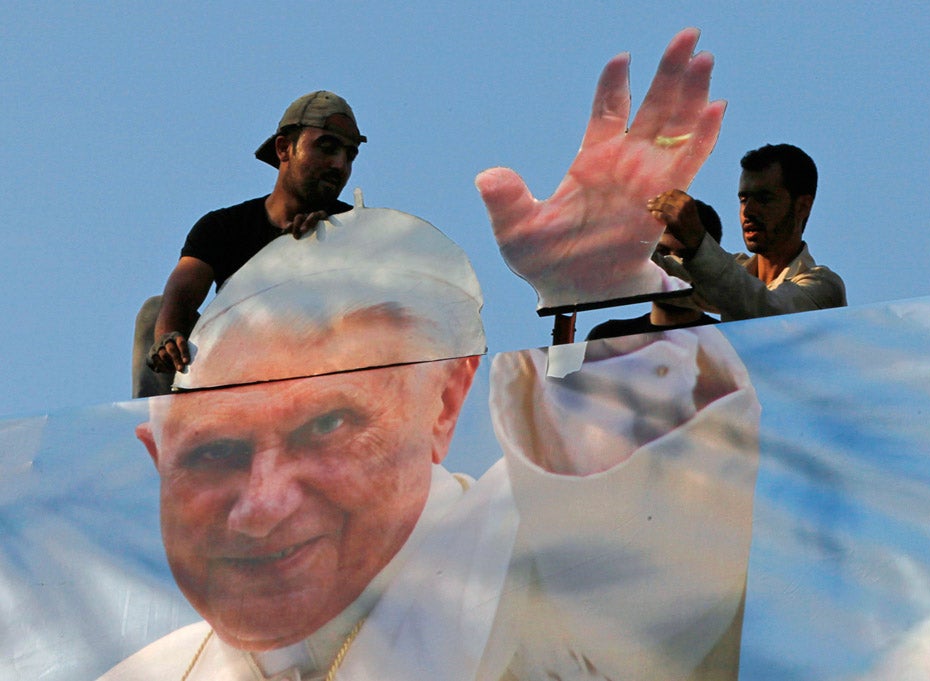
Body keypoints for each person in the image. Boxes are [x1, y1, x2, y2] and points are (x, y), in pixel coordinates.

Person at [100, 205, 760, 681]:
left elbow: (658, 595)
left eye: (326, 425)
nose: (262, 507)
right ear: (160, 463)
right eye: (216, 453)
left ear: (444, 401)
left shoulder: (525, 548)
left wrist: (639, 301)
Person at [132, 90, 366, 398]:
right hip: (233, 376)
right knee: (154, 314)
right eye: (326, 148)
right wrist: (167, 339)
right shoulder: (224, 227)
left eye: (349, 155)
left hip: (320, 383)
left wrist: (329, 245)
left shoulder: (356, 231)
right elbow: (180, 296)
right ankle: (162, 433)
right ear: (284, 148)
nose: (339, 164)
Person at [647, 143, 846, 321]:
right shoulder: (735, 274)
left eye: (764, 198)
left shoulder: (824, 288)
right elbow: (654, 272)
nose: (749, 211)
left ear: (803, 206)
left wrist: (698, 243)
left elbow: (766, 311)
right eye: (744, 199)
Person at [586, 199, 723, 340]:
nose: (673, 265)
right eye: (662, 253)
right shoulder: (607, 337)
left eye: (686, 255)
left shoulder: (729, 339)